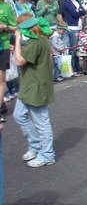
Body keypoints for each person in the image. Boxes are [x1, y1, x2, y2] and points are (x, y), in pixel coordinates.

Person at [13, 13, 56, 167]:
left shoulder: (36, 42)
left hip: (37, 86)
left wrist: (17, 40)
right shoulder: (41, 40)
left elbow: (19, 61)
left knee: (42, 122)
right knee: (19, 115)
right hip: (29, 85)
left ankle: (47, 154)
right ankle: (36, 145)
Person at [59, 0, 87, 76]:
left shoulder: (76, 0)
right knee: (73, 49)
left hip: (79, 26)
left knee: (77, 48)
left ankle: (77, 67)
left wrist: (79, 10)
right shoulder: (66, 2)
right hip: (72, 27)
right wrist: (79, 11)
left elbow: (83, 11)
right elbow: (74, 14)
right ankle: (72, 68)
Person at [0, 0, 17, 123]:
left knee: (1, 77)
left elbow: (14, 27)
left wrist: (4, 27)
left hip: (3, 46)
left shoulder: (5, 7)